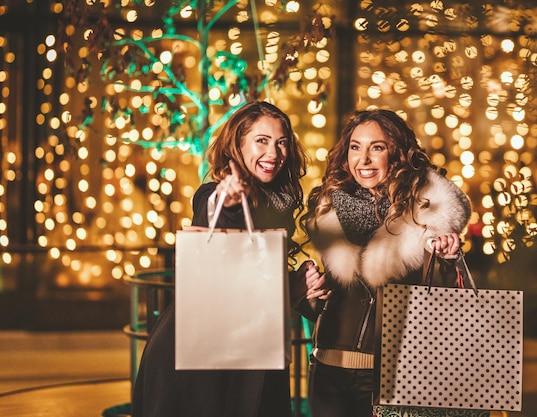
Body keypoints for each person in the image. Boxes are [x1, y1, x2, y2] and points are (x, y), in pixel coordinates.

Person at [131, 101, 318, 417]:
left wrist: (297, 286)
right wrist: (227, 198)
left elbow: (252, 280)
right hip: (199, 359)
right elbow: (212, 210)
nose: (273, 153)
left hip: (254, 350)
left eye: (281, 142)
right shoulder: (215, 193)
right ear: (238, 144)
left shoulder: (280, 202)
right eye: (261, 140)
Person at [301, 109, 472, 417]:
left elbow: (446, 307)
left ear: (397, 154)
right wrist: (310, 292)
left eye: (376, 147)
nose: (363, 159)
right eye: (355, 147)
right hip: (326, 373)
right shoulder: (327, 210)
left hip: (394, 379)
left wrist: (449, 259)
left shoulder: (423, 216)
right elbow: (320, 306)